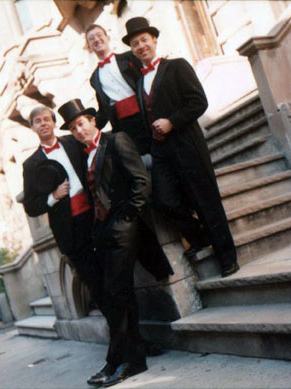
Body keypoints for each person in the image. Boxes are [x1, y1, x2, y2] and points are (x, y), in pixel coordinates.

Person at [57, 98, 170, 387]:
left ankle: (121, 360)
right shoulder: (86, 155)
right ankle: (128, 359)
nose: (79, 131)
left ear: (93, 121)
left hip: (124, 226)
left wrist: (127, 217)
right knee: (119, 293)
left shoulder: (116, 140)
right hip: (104, 230)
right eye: (73, 128)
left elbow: (140, 181)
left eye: (81, 123)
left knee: (115, 291)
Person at [124, 17, 239, 278]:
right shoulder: (140, 82)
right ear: (132, 50)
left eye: (144, 40)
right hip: (162, 151)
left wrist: (171, 122)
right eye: (135, 43)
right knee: (164, 200)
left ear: (154, 41)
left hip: (188, 145)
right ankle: (199, 237)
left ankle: (227, 258)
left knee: (206, 201)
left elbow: (199, 102)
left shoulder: (176, 66)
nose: (141, 46)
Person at [22, 106, 101, 297]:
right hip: (69, 227)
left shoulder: (74, 142)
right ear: (32, 127)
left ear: (54, 123)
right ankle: (118, 325)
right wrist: (53, 197)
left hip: (95, 215)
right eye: (38, 121)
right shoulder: (31, 164)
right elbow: (30, 206)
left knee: (112, 272)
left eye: (46, 119)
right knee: (93, 281)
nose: (43, 124)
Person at [86, 23, 151, 157]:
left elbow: (149, 81)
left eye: (99, 35)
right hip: (124, 127)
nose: (96, 40)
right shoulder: (94, 78)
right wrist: (88, 126)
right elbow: (104, 109)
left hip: (146, 116)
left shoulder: (129, 57)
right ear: (89, 47)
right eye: (91, 39)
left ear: (107, 37)